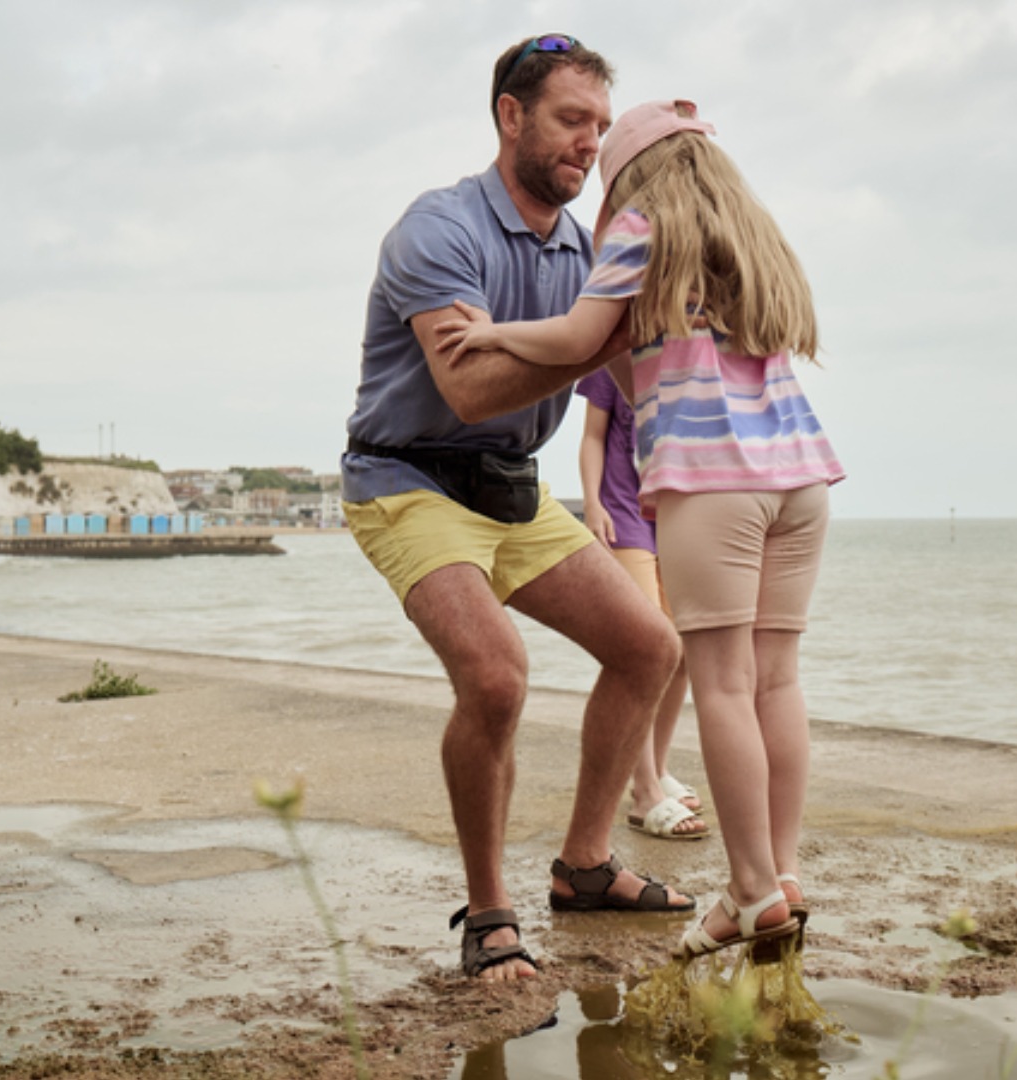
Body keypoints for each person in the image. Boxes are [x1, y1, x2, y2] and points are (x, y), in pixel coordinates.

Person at [434, 99, 846, 960]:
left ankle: (750, 892)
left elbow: (584, 338)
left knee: (723, 685)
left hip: (715, 481)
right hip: (803, 477)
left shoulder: (639, 227)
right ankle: (786, 875)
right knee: (777, 681)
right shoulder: (753, 239)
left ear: (630, 175)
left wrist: (493, 329)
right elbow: (632, 360)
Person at [341, 37, 695, 983]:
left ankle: (583, 865)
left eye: (599, 127)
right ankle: (488, 912)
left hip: (511, 489)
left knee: (651, 648)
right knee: (496, 678)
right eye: (571, 120)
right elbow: (468, 387)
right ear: (511, 116)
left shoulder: (585, 251)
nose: (589, 144)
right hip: (406, 480)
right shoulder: (439, 228)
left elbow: (633, 368)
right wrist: (599, 332)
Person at [574, 370, 706, 841]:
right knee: (649, 647)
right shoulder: (614, 355)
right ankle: (644, 790)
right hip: (623, 515)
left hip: (674, 512)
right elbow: (592, 435)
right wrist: (592, 503)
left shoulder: (693, 355)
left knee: (685, 651)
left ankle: (659, 767)